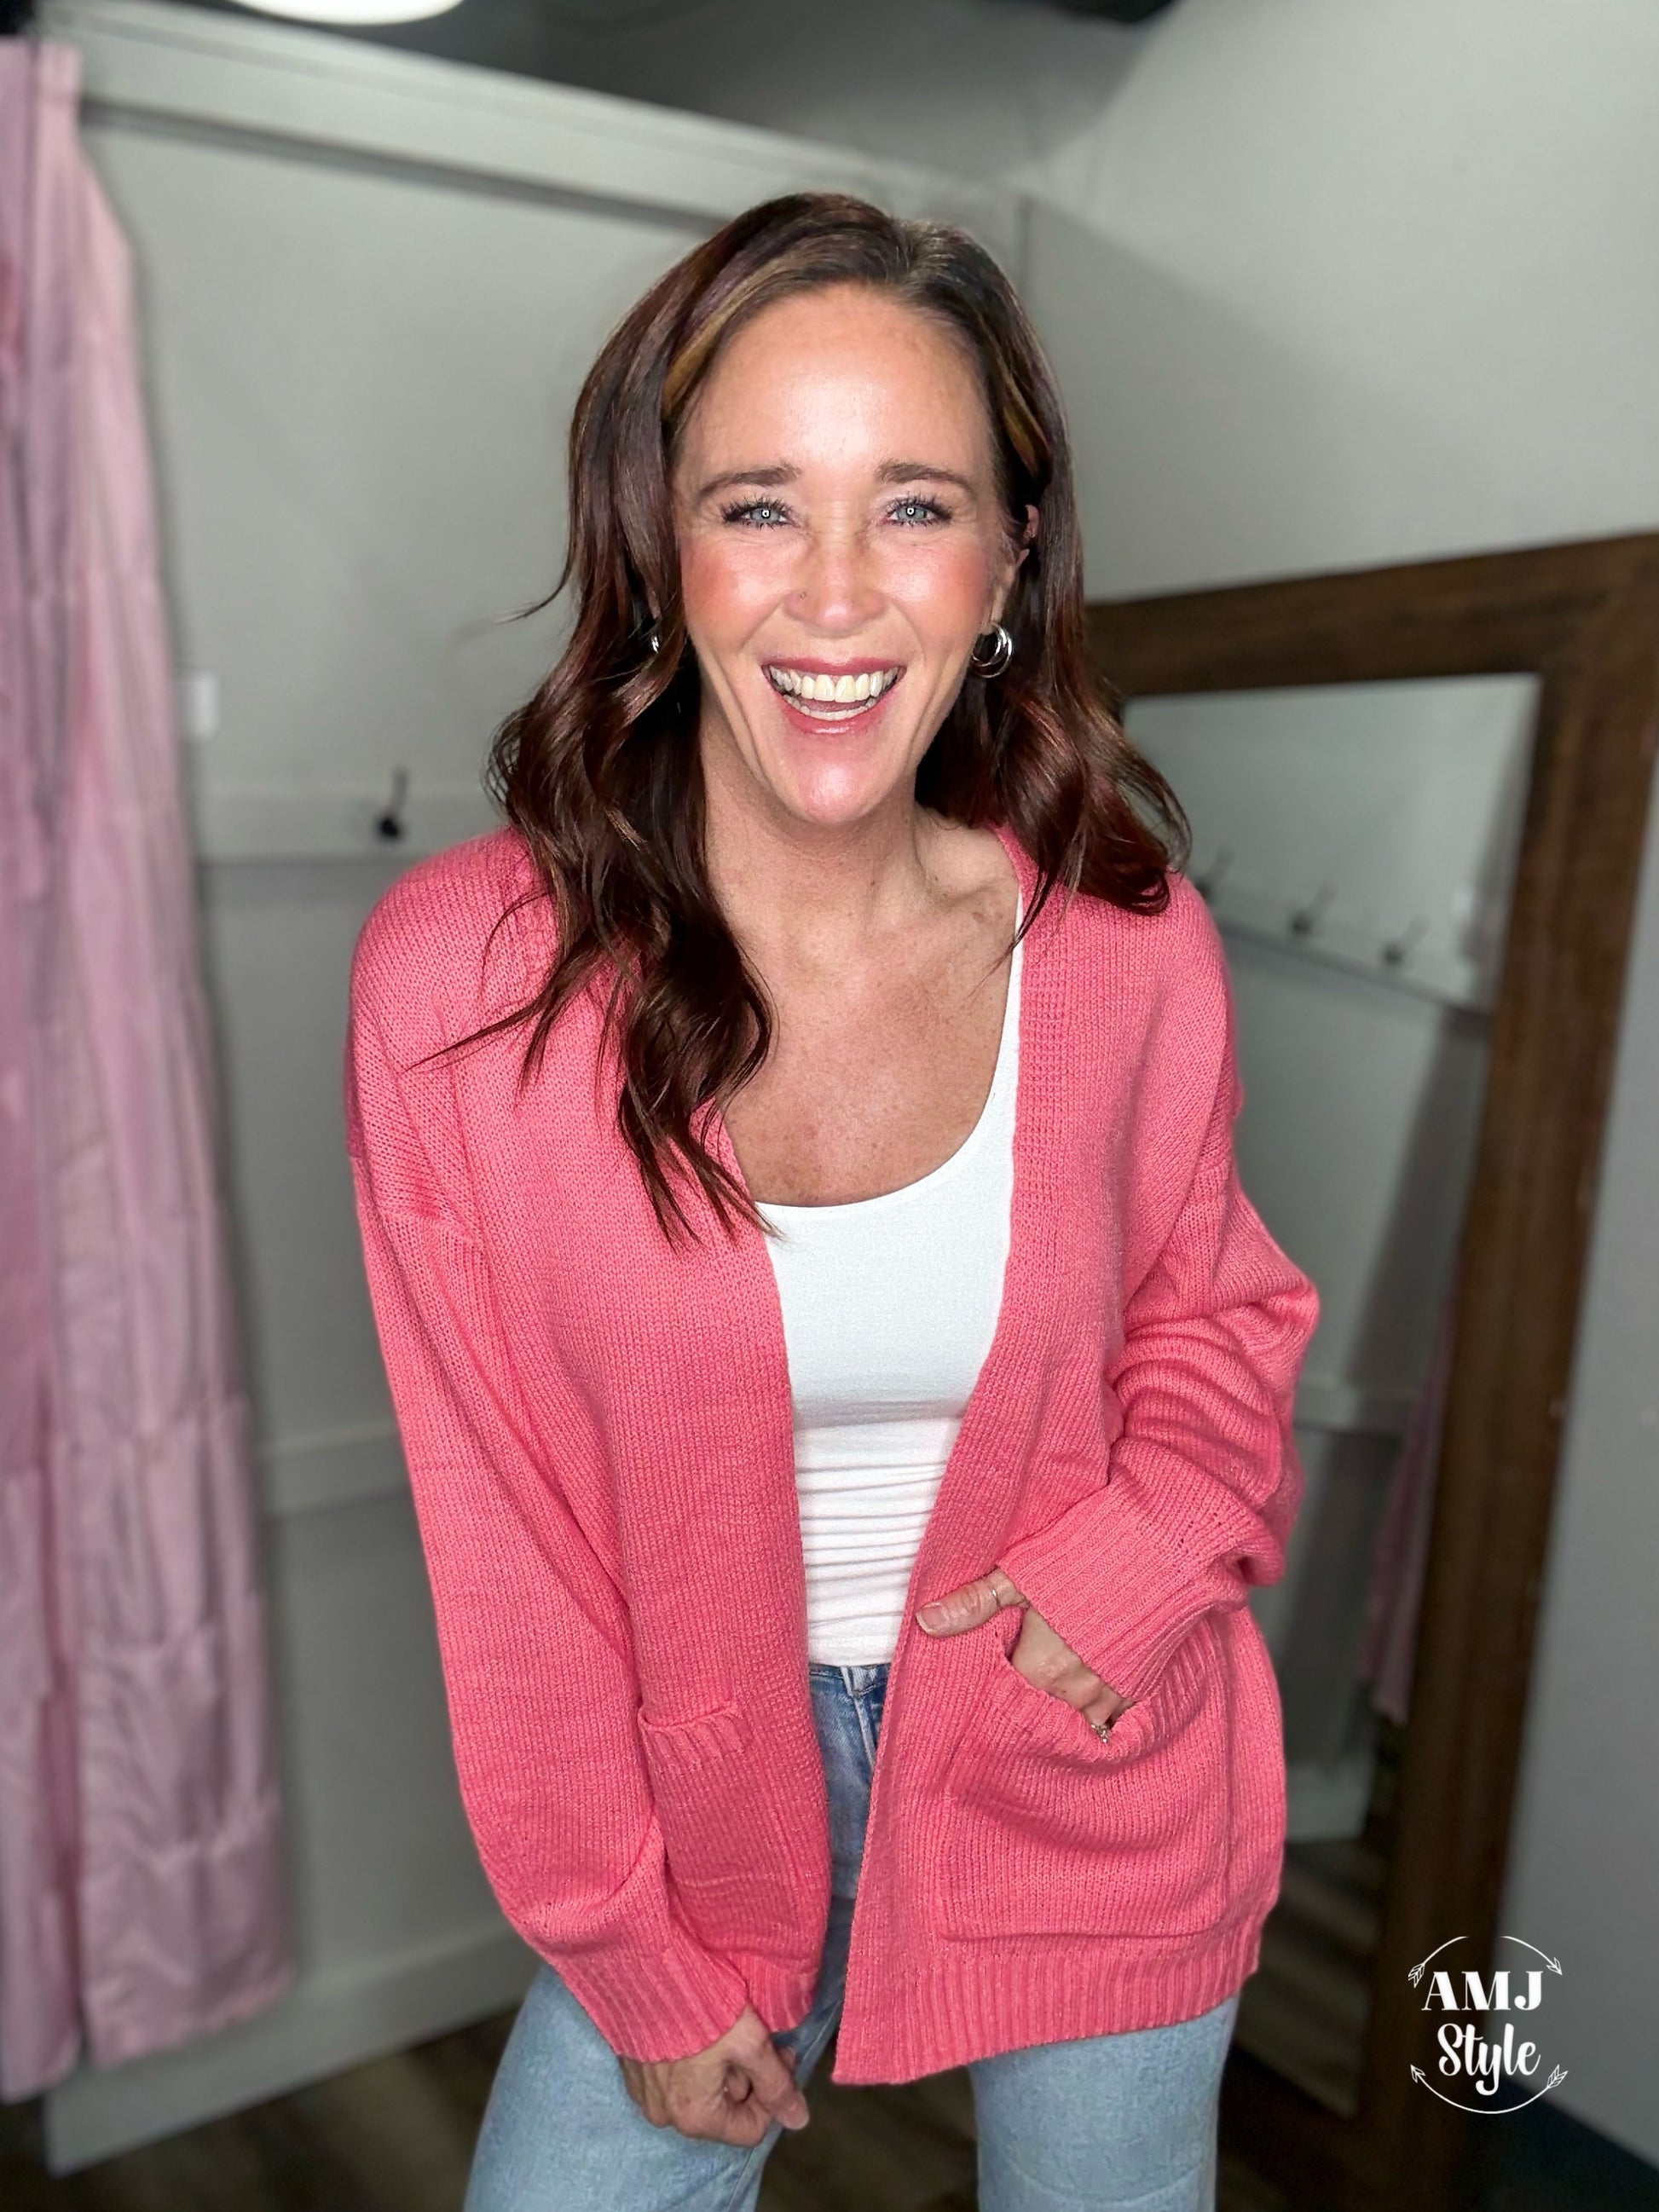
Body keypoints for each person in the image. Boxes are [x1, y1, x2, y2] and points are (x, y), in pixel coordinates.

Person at [344, 191, 1320, 2212]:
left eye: (916, 506)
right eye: (761, 506)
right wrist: (620, 1940)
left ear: (1009, 556)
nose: (839, 595)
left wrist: (1136, 1564)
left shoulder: (1126, 940)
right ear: (658, 544)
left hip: (1089, 1755)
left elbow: (1218, 1313)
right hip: (697, 1807)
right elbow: (501, 1528)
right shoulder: (463, 982)